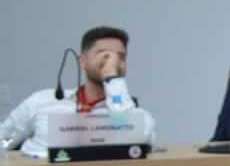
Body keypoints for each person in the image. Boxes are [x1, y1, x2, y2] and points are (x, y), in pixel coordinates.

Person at [0, 26, 153, 158]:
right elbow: (4, 139)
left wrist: (111, 77)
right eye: (104, 55)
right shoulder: (42, 102)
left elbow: (135, 135)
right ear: (82, 62)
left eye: (120, 57)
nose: (112, 62)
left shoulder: (130, 113)